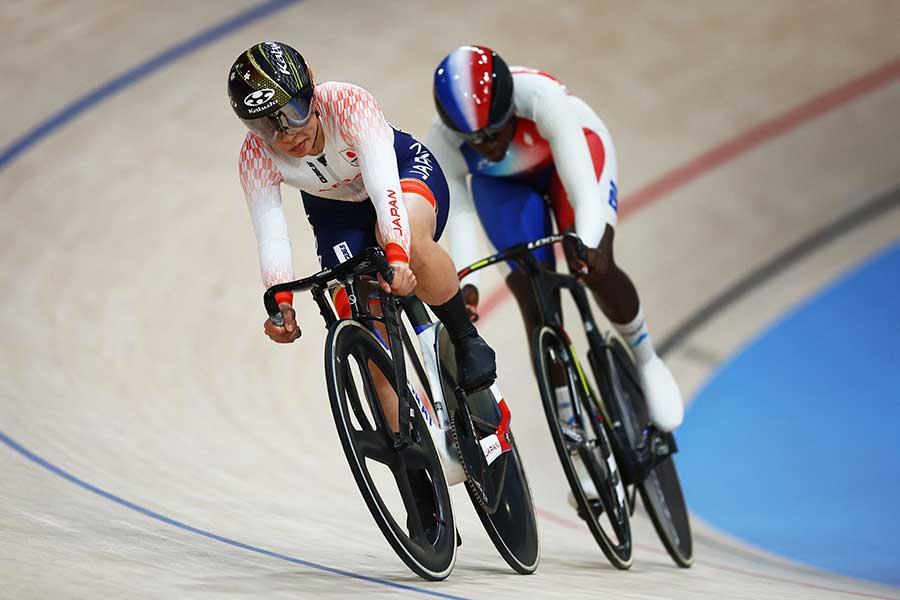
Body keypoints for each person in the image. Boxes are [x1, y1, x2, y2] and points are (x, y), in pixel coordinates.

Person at [426, 45, 684, 434]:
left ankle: (647, 358)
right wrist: (469, 283)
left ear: (510, 108)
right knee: (535, 298)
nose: (489, 147)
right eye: (474, 141)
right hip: (505, 187)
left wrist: (590, 241)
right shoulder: (442, 140)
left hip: (573, 157)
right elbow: (460, 213)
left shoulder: (541, 98)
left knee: (596, 267)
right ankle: (568, 421)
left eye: (495, 132)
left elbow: (581, 185)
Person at [228, 41, 498, 394]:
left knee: (410, 242)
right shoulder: (254, 155)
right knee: (360, 322)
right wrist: (282, 304)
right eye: (267, 126)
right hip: (336, 212)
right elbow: (271, 235)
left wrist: (399, 258)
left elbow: (385, 190)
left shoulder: (347, 103)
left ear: (311, 87)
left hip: (401, 174)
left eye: (293, 112)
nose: (288, 135)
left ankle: (466, 337)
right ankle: (410, 438)